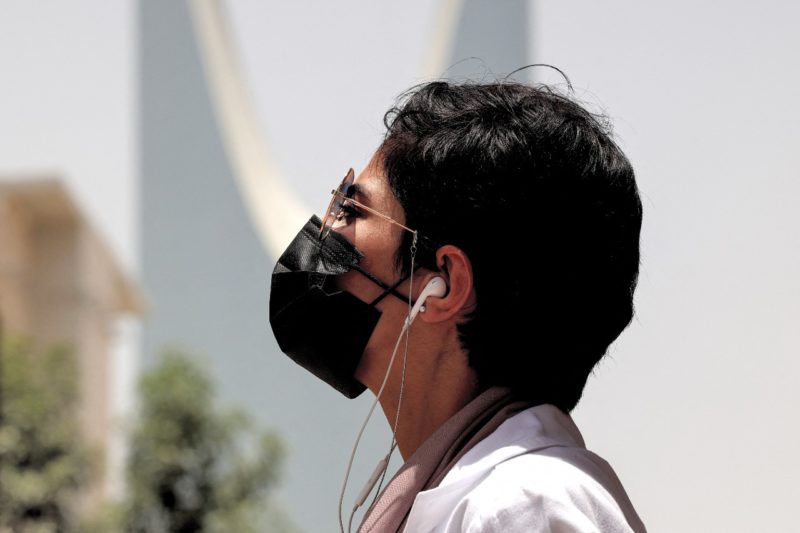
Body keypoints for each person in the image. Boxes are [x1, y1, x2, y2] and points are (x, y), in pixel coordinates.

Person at [269, 78, 646, 532]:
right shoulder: (484, 496)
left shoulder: (522, 507)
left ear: (444, 284)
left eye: (351, 209)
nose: (326, 228)